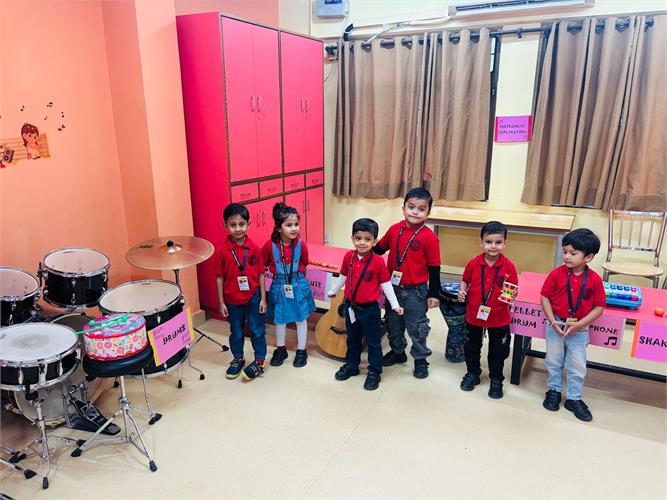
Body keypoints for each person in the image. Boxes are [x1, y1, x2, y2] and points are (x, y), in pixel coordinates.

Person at [327, 218, 404, 390]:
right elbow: (344, 276)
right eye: (358, 238)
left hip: (370, 311)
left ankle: (374, 372)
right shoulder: (348, 257)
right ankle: (352, 366)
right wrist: (333, 290)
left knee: (373, 342)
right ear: (352, 238)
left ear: (374, 241)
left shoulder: (378, 261)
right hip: (351, 307)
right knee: (352, 339)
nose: (362, 242)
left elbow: (386, 285)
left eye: (367, 239)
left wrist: (395, 304)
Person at [374, 187, 441, 379]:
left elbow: (435, 268)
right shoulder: (394, 229)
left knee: (417, 327)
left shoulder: (430, 237)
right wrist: (364, 249)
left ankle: (420, 359)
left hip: (416, 292)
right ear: (403, 208)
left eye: (421, 209)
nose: (415, 212)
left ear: (428, 213)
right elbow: (378, 250)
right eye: (411, 207)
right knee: (393, 323)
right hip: (392, 289)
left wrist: (433, 293)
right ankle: (397, 352)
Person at [540, 228, 606, 422]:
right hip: (556, 324)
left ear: (589, 257)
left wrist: (579, 326)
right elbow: (544, 297)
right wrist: (552, 321)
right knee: (553, 360)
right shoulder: (556, 274)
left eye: (573, 253)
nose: (566, 256)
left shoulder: (594, 280)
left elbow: (599, 308)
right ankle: (554, 390)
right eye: (565, 252)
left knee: (577, 365)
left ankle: (574, 398)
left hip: (579, 329)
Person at [458, 221, 518, 399]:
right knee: (471, 347)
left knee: (498, 351)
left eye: (498, 242)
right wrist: (462, 291)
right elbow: (465, 280)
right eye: (488, 242)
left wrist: (511, 295)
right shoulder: (473, 263)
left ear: (505, 243)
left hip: (499, 318)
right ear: (481, 242)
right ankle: (473, 373)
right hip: (474, 315)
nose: (493, 246)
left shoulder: (509, 266)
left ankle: (496, 379)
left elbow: (512, 289)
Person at [215, 203, 267, 381]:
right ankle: (238, 358)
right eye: (233, 225)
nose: (238, 228)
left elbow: (261, 275)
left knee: (257, 330)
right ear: (225, 226)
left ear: (249, 224)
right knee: (236, 332)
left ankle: (259, 361)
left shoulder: (255, 249)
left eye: (242, 224)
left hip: (253, 298)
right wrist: (221, 302)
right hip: (232, 301)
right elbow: (219, 278)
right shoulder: (221, 251)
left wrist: (263, 299)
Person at [262, 202, 316, 368]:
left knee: (301, 318)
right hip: (279, 286)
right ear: (279, 228)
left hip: (298, 284)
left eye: (296, 224)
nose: (294, 229)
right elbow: (262, 268)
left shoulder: (301, 245)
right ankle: (281, 349)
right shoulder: (269, 246)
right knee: (280, 319)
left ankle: (301, 350)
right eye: (289, 225)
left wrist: (301, 286)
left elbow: (304, 266)